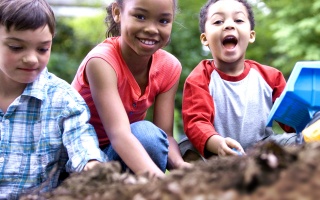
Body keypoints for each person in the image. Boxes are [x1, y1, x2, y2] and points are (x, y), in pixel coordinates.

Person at [0, 0, 107, 199]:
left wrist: (93, 167)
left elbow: (81, 143)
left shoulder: (63, 100)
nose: (31, 58)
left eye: (42, 49)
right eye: (16, 47)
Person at [71, 0, 191, 178]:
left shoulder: (169, 67)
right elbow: (120, 135)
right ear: (118, 13)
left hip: (122, 154)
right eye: (140, 16)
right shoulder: (102, 62)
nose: (152, 28)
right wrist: (162, 183)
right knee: (146, 135)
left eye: (163, 21)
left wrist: (181, 166)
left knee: (150, 137)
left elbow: (165, 134)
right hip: (82, 159)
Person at [180, 0, 297, 160]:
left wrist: (309, 120)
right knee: (184, 147)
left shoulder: (271, 77)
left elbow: (292, 121)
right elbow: (196, 122)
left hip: (263, 150)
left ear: (251, 35)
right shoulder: (200, 78)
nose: (229, 25)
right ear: (204, 38)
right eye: (218, 21)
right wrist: (218, 144)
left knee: (298, 139)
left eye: (238, 20)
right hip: (217, 154)